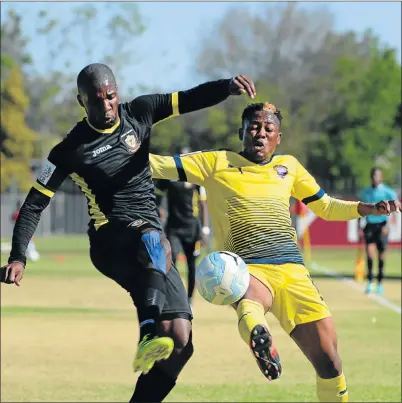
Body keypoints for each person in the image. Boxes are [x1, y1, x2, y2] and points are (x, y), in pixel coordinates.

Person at [1, 63, 256, 403]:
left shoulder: (140, 111)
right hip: (111, 242)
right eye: (96, 100)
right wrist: (19, 256)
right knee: (152, 236)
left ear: (117, 92)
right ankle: (147, 331)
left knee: (181, 342)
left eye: (111, 96)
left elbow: (189, 99)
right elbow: (33, 204)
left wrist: (226, 86)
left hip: (150, 248)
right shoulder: (68, 151)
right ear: (82, 102)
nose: (106, 106)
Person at [150, 102, 401, 402]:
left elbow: (326, 206)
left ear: (278, 138)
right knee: (249, 300)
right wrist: (114, 143)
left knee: (330, 361)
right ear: (241, 131)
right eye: (254, 127)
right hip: (247, 268)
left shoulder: (289, 167)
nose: (261, 133)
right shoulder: (216, 162)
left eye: (269, 129)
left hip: (294, 272)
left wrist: (366, 209)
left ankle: (262, 335)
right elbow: (157, 164)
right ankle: (260, 338)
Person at [154, 155, 210, 309]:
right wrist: (158, 209)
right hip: (173, 228)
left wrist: (205, 229)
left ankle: (190, 300)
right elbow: (158, 194)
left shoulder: (196, 178)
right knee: (172, 263)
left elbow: (203, 204)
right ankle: (177, 299)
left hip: (193, 229)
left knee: (192, 266)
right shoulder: (169, 178)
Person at [357, 167, 398, 295]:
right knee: (370, 253)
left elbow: (394, 208)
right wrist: (359, 226)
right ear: (371, 177)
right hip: (370, 225)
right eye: (373, 175)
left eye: (378, 175)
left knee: (381, 255)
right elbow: (360, 209)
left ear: (381, 177)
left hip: (382, 225)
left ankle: (380, 283)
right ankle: (370, 282)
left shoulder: (388, 192)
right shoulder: (365, 192)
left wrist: (389, 225)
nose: (375, 177)